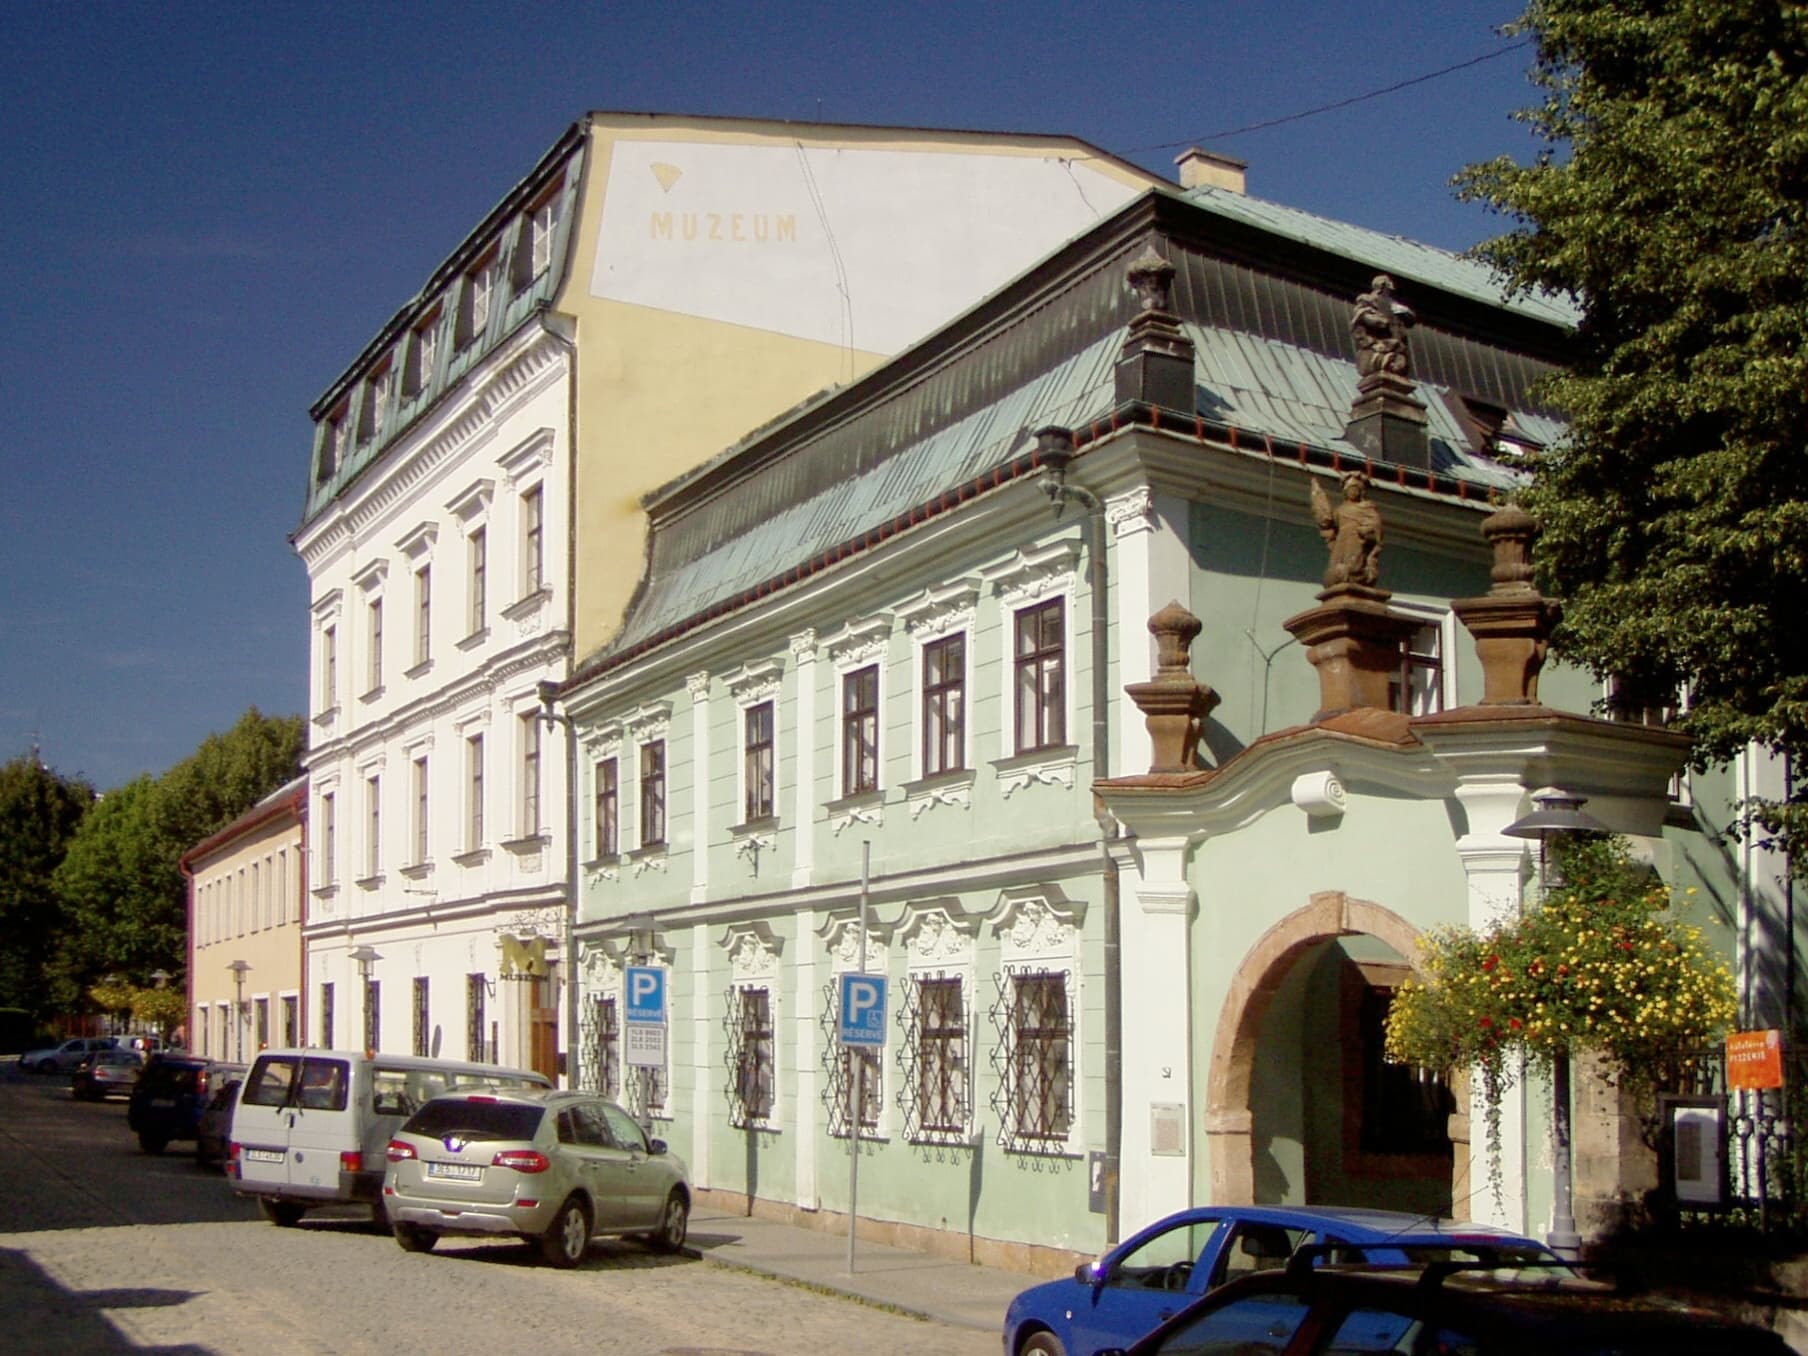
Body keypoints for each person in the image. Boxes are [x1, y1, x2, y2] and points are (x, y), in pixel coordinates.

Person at [1311, 471, 1383, 588]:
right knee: (1335, 567)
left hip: (1356, 540)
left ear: (1361, 492)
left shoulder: (1367, 507)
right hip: (1341, 541)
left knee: (1354, 564)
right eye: (1350, 489)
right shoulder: (1340, 510)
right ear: (1345, 492)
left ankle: (1358, 575)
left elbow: (1376, 525)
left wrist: (1366, 530)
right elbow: (1330, 524)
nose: (1353, 492)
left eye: (1356, 489)